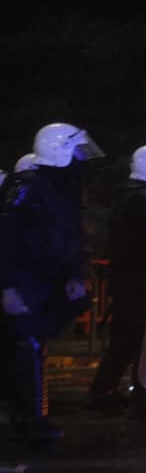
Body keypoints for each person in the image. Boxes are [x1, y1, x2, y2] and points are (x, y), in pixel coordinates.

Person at [0, 123, 104, 442]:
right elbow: (5, 237)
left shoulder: (60, 189)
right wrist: (8, 287)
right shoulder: (27, 186)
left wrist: (74, 275)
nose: (79, 159)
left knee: (31, 345)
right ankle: (32, 418)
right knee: (26, 345)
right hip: (25, 277)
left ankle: (29, 413)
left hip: (48, 278)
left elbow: (70, 238)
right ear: (59, 151)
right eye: (74, 151)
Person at [86, 144, 146, 413]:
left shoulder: (128, 194)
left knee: (124, 340)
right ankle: (142, 398)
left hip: (128, 278)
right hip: (139, 279)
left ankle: (102, 392)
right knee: (140, 339)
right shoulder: (143, 199)